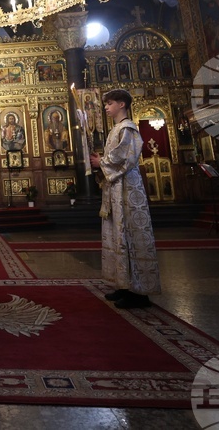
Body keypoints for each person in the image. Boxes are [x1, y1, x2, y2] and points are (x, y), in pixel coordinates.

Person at [88, 89, 161, 310]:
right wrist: (101, 162)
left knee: (129, 235)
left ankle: (138, 293)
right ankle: (123, 285)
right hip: (116, 188)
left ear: (121, 104)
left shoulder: (128, 128)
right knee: (118, 235)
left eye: (109, 104)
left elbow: (125, 158)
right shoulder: (116, 130)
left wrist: (101, 162)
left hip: (128, 189)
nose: (106, 108)